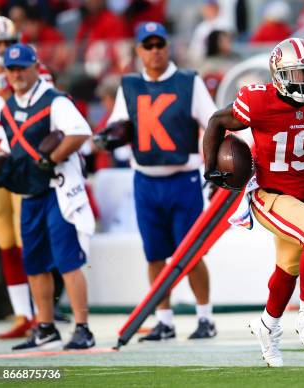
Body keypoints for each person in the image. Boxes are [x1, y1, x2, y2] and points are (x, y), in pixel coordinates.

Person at [203, 37, 304, 367]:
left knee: (287, 270)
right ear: (278, 75)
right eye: (299, 75)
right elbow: (217, 121)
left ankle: (267, 325)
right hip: (270, 194)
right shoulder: (258, 101)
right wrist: (210, 169)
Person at [104, 22, 217, 341]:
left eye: (159, 44)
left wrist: (212, 163)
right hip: (145, 179)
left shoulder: (188, 82)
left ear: (168, 46)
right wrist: (109, 137)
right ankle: (164, 319)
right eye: (148, 45)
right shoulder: (129, 85)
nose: (155, 51)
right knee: (154, 254)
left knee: (190, 252)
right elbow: (116, 126)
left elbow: (212, 122)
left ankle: (205, 317)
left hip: (183, 178)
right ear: (139, 50)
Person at [0, 43, 96, 350]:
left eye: (21, 68)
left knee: (67, 260)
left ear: (35, 67)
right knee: (34, 263)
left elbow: (80, 132)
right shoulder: (8, 106)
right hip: (30, 191)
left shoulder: (54, 101)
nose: (16, 75)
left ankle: (82, 328)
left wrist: (51, 158)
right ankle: (45, 326)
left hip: (57, 187)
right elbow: (9, 147)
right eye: (11, 69)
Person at [0, 16, 34, 340]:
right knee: (5, 239)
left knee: (27, 236)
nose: (4, 50)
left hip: (22, 162)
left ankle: (41, 310)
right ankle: (23, 313)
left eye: (7, 43)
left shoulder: (27, 71)